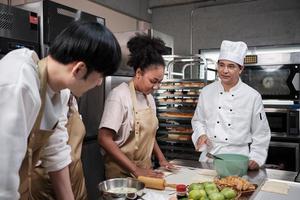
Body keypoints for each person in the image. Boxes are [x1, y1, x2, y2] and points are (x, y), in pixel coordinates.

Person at [0, 20, 121, 200]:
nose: (99, 83)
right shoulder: (20, 84)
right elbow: (2, 181)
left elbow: (55, 151)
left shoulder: (60, 92)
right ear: (79, 69)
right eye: (100, 76)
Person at [98, 33, 174, 179]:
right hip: (121, 173)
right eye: (153, 81)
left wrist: (162, 159)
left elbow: (149, 135)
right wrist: (135, 170)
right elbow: (104, 139)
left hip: (145, 169)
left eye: (160, 82)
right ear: (139, 73)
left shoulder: (149, 98)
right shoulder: (119, 95)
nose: (157, 87)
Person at [191, 40, 271, 170]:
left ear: (241, 69)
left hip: (238, 159)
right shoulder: (206, 92)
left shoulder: (252, 96)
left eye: (231, 66)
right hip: (210, 158)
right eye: (221, 65)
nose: (225, 70)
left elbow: (261, 132)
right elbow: (198, 120)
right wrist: (201, 134)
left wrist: (256, 157)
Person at [31, 89, 88, 200]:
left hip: (75, 181)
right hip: (48, 184)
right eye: (99, 76)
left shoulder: (72, 100)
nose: (99, 83)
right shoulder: (54, 93)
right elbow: (55, 150)